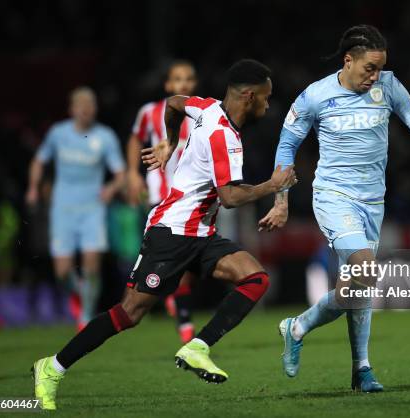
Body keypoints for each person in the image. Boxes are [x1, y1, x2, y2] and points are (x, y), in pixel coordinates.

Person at [32, 59, 297, 410]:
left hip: (201, 232)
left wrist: (170, 143)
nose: (268, 104)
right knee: (129, 314)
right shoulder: (226, 138)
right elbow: (230, 198)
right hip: (170, 232)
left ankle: (197, 346)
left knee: (255, 279)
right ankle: (51, 367)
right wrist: (272, 185)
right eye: (265, 97)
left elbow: (174, 103)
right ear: (248, 96)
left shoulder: (205, 106)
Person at [259, 25, 410, 392]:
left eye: (380, 68)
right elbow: (286, 148)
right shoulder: (315, 96)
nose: (375, 76)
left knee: (359, 287)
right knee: (364, 267)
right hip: (333, 196)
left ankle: (355, 365)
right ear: (348, 61)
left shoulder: (389, 87)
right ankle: (304, 331)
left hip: (373, 201)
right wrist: (280, 200)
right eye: (369, 68)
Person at [26, 87, 126, 330]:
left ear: (95, 109)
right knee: (62, 271)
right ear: (72, 109)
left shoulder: (105, 137)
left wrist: (111, 188)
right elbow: (39, 160)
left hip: (93, 209)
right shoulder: (58, 134)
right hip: (63, 208)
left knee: (92, 264)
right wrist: (32, 187)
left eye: (90, 104)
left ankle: (85, 315)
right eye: (80, 105)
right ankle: (79, 291)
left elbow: (120, 174)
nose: (85, 109)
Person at [126, 60, 199, 343]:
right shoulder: (150, 112)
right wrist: (133, 175)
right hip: (161, 195)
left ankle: (172, 298)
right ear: (168, 85)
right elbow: (135, 140)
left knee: (185, 263)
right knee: (172, 256)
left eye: (188, 79)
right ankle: (184, 323)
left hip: (191, 197)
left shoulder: (200, 114)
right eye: (177, 79)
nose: (183, 84)